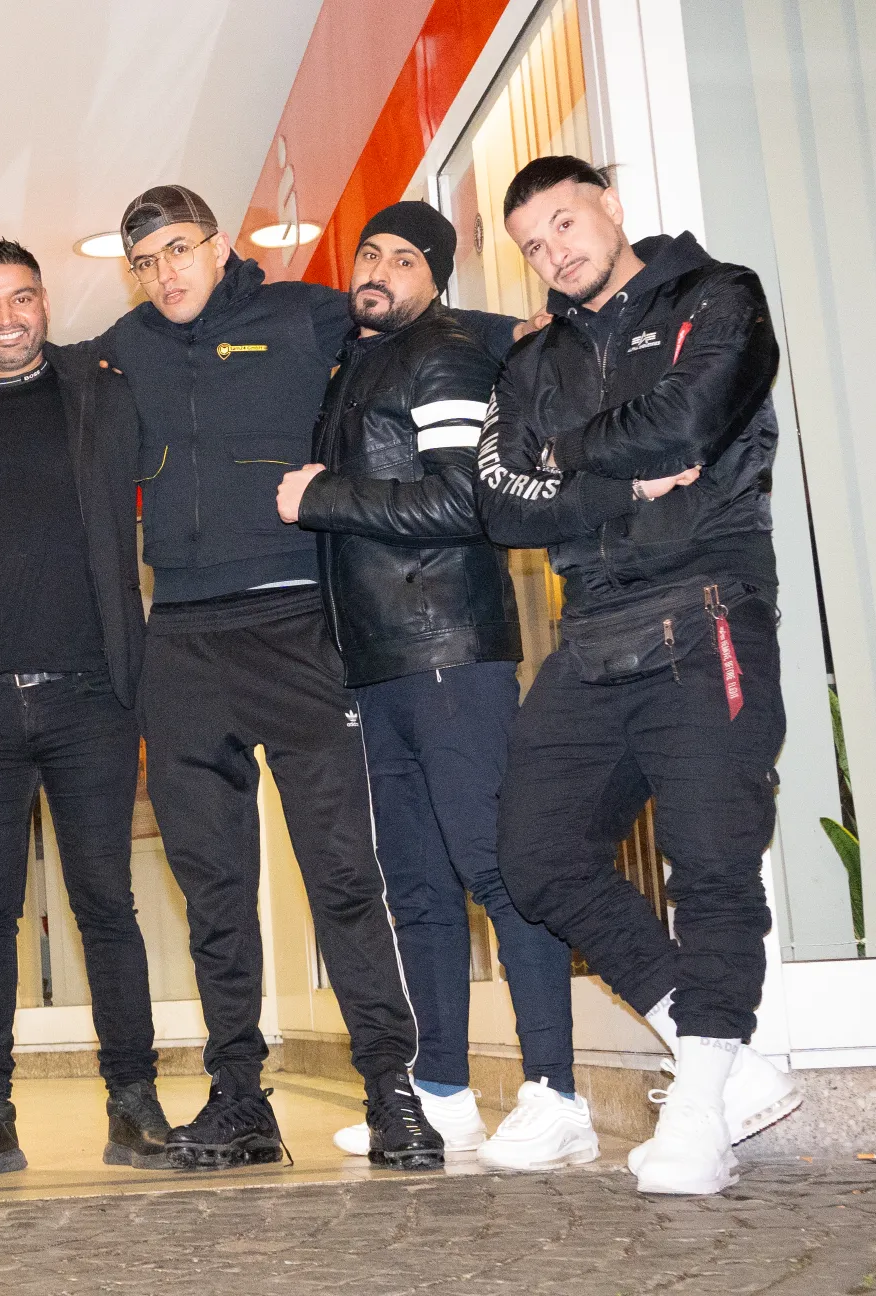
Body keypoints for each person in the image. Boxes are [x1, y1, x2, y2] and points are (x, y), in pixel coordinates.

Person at [94, 185, 520, 1173]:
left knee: (343, 879)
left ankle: (393, 1094)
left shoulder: (301, 315)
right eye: (146, 262)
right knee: (214, 893)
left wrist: (536, 331)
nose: (166, 273)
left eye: (180, 249)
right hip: (182, 643)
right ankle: (240, 1102)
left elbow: (427, 325)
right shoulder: (126, 345)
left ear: (219, 246)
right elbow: (37, 379)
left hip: (295, 628)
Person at [478, 155, 801, 1196]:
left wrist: (563, 453)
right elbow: (502, 507)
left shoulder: (719, 296)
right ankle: (727, 1068)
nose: (555, 252)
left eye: (566, 224)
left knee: (711, 866)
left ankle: (699, 1112)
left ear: (611, 206)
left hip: (707, 604)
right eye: (534, 245)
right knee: (534, 854)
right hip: (592, 630)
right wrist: (620, 477)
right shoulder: (533, 361)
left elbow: (689, 420)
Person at [280, 201, 594, 1172]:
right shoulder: (360, 362)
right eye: (369, 253)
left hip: (450, 653)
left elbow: (465, 497)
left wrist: (320, 495)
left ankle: (557, 1093)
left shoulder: (443, 356)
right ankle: (445, 1093)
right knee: (417, 888)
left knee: (499, 869)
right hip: (381, 666)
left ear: (437, 277)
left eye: (404, 258)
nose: (378, 269)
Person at [0, 240, 167, 1182]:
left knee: (107, 906)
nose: (4, 318)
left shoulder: (101, 394)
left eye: (20, 299)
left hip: (92, 699)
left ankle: (135, 1105)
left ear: (44, 303)